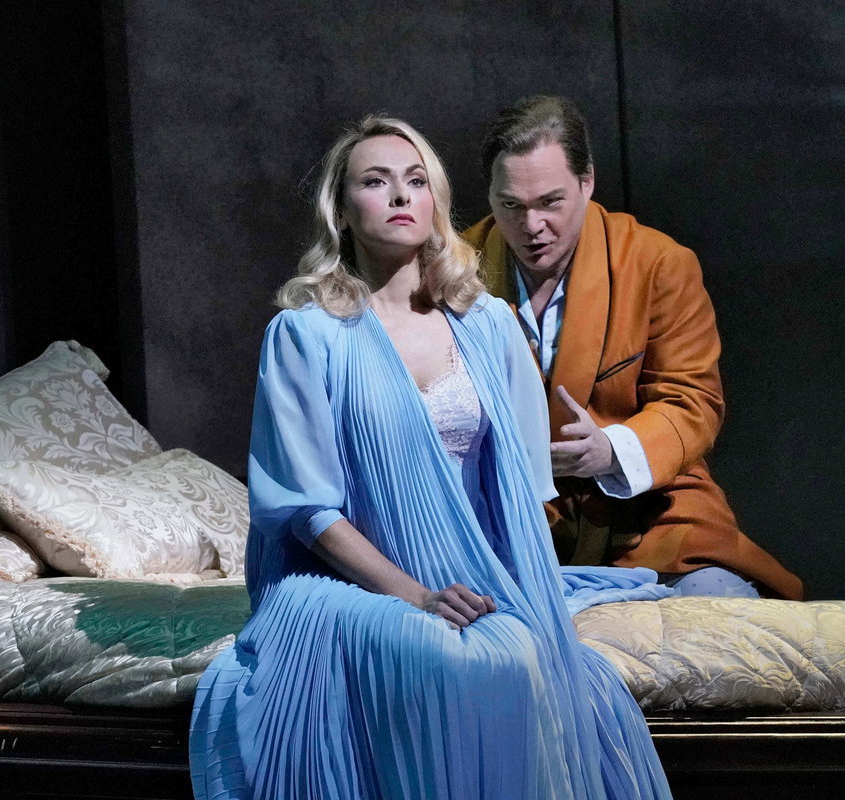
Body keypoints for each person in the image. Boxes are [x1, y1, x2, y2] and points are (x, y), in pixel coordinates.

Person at [189, 116, 672, 799]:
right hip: (345, 582)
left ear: (435, 202)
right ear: (342, 210)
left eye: (415, 181)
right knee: (461, 659)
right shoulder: (304, 334)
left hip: (470, 568)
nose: (399, 195)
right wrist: (414, 595)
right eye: (375, 181)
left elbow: (520, 493)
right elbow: (306, 512)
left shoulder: (489, 324)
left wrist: (527, 601)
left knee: (544, 664)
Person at [464, 95, 804, 601]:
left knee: (721, 612)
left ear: (587, 182)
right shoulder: (451, 271)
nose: (531, 226)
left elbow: (692, 401)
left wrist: (610, 449)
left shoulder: (658, 264)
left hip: (652, 518)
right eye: (511, 205)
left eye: (551, 202)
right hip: (509, 527)